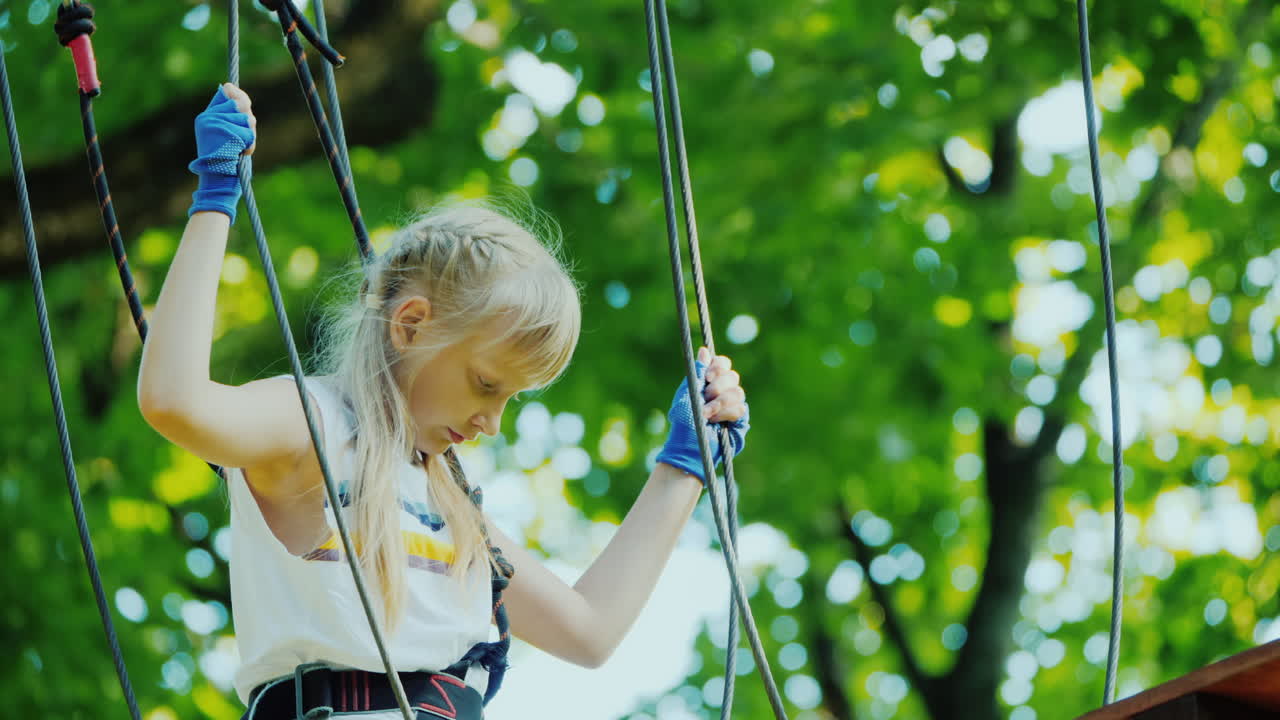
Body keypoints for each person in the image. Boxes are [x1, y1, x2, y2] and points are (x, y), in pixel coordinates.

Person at [136, 83, 751, 720]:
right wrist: (215, 197)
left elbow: (589, 632)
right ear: (410, 325)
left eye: (512, 398)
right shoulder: (313, 426)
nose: (492, 421)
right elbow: (176, 402)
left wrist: (685, 463)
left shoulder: (452, 509)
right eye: (487, 383)